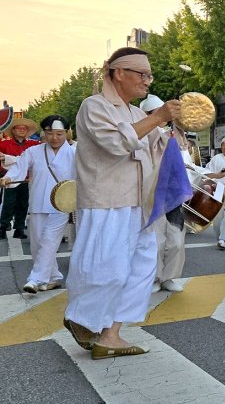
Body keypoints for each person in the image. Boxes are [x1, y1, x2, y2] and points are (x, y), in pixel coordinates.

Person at [64, 47, 182, 360]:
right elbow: (117, 143)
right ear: (118, 73)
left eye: (149, 75)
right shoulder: (94, 107)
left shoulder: (135, 113)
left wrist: (166, 134)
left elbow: (152, 149)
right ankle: (83, 318)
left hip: (138, 204)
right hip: (107, 203)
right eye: (141, 74)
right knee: (107, 267)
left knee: (141, 268)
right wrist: (157, 118)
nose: (148, 81)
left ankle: (111, 334)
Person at [0, 115, 75, 292]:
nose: (54, 138)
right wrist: (9, 178)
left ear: (66, 133)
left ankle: (34, 279)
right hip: (38, 203)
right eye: (49, 133)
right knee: (38, 244)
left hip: (62, 206)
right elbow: (20, 167)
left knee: (49, 241)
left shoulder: (75, 152)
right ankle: (54, 277)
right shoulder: (34, 151)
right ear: (44, 133)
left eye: (59, 134)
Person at [139, 94, 191, 293]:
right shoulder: (142, 135)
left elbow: (186, 158)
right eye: (154, 114)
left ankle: (170, 277)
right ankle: (155, 278)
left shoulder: (173, 135)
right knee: (156, 242)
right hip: (150, 195)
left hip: (173, 195)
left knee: (176, 241)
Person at [0, 116, 39, 240]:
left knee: (23, 204)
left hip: (26, 179)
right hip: (9, 179)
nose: (22, 130)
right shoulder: (4, 144)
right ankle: (3, 226)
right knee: (8, 204)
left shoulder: (34, 145)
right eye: (19, 128)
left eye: (24, 128)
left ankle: (19, 228)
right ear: (13, 130)